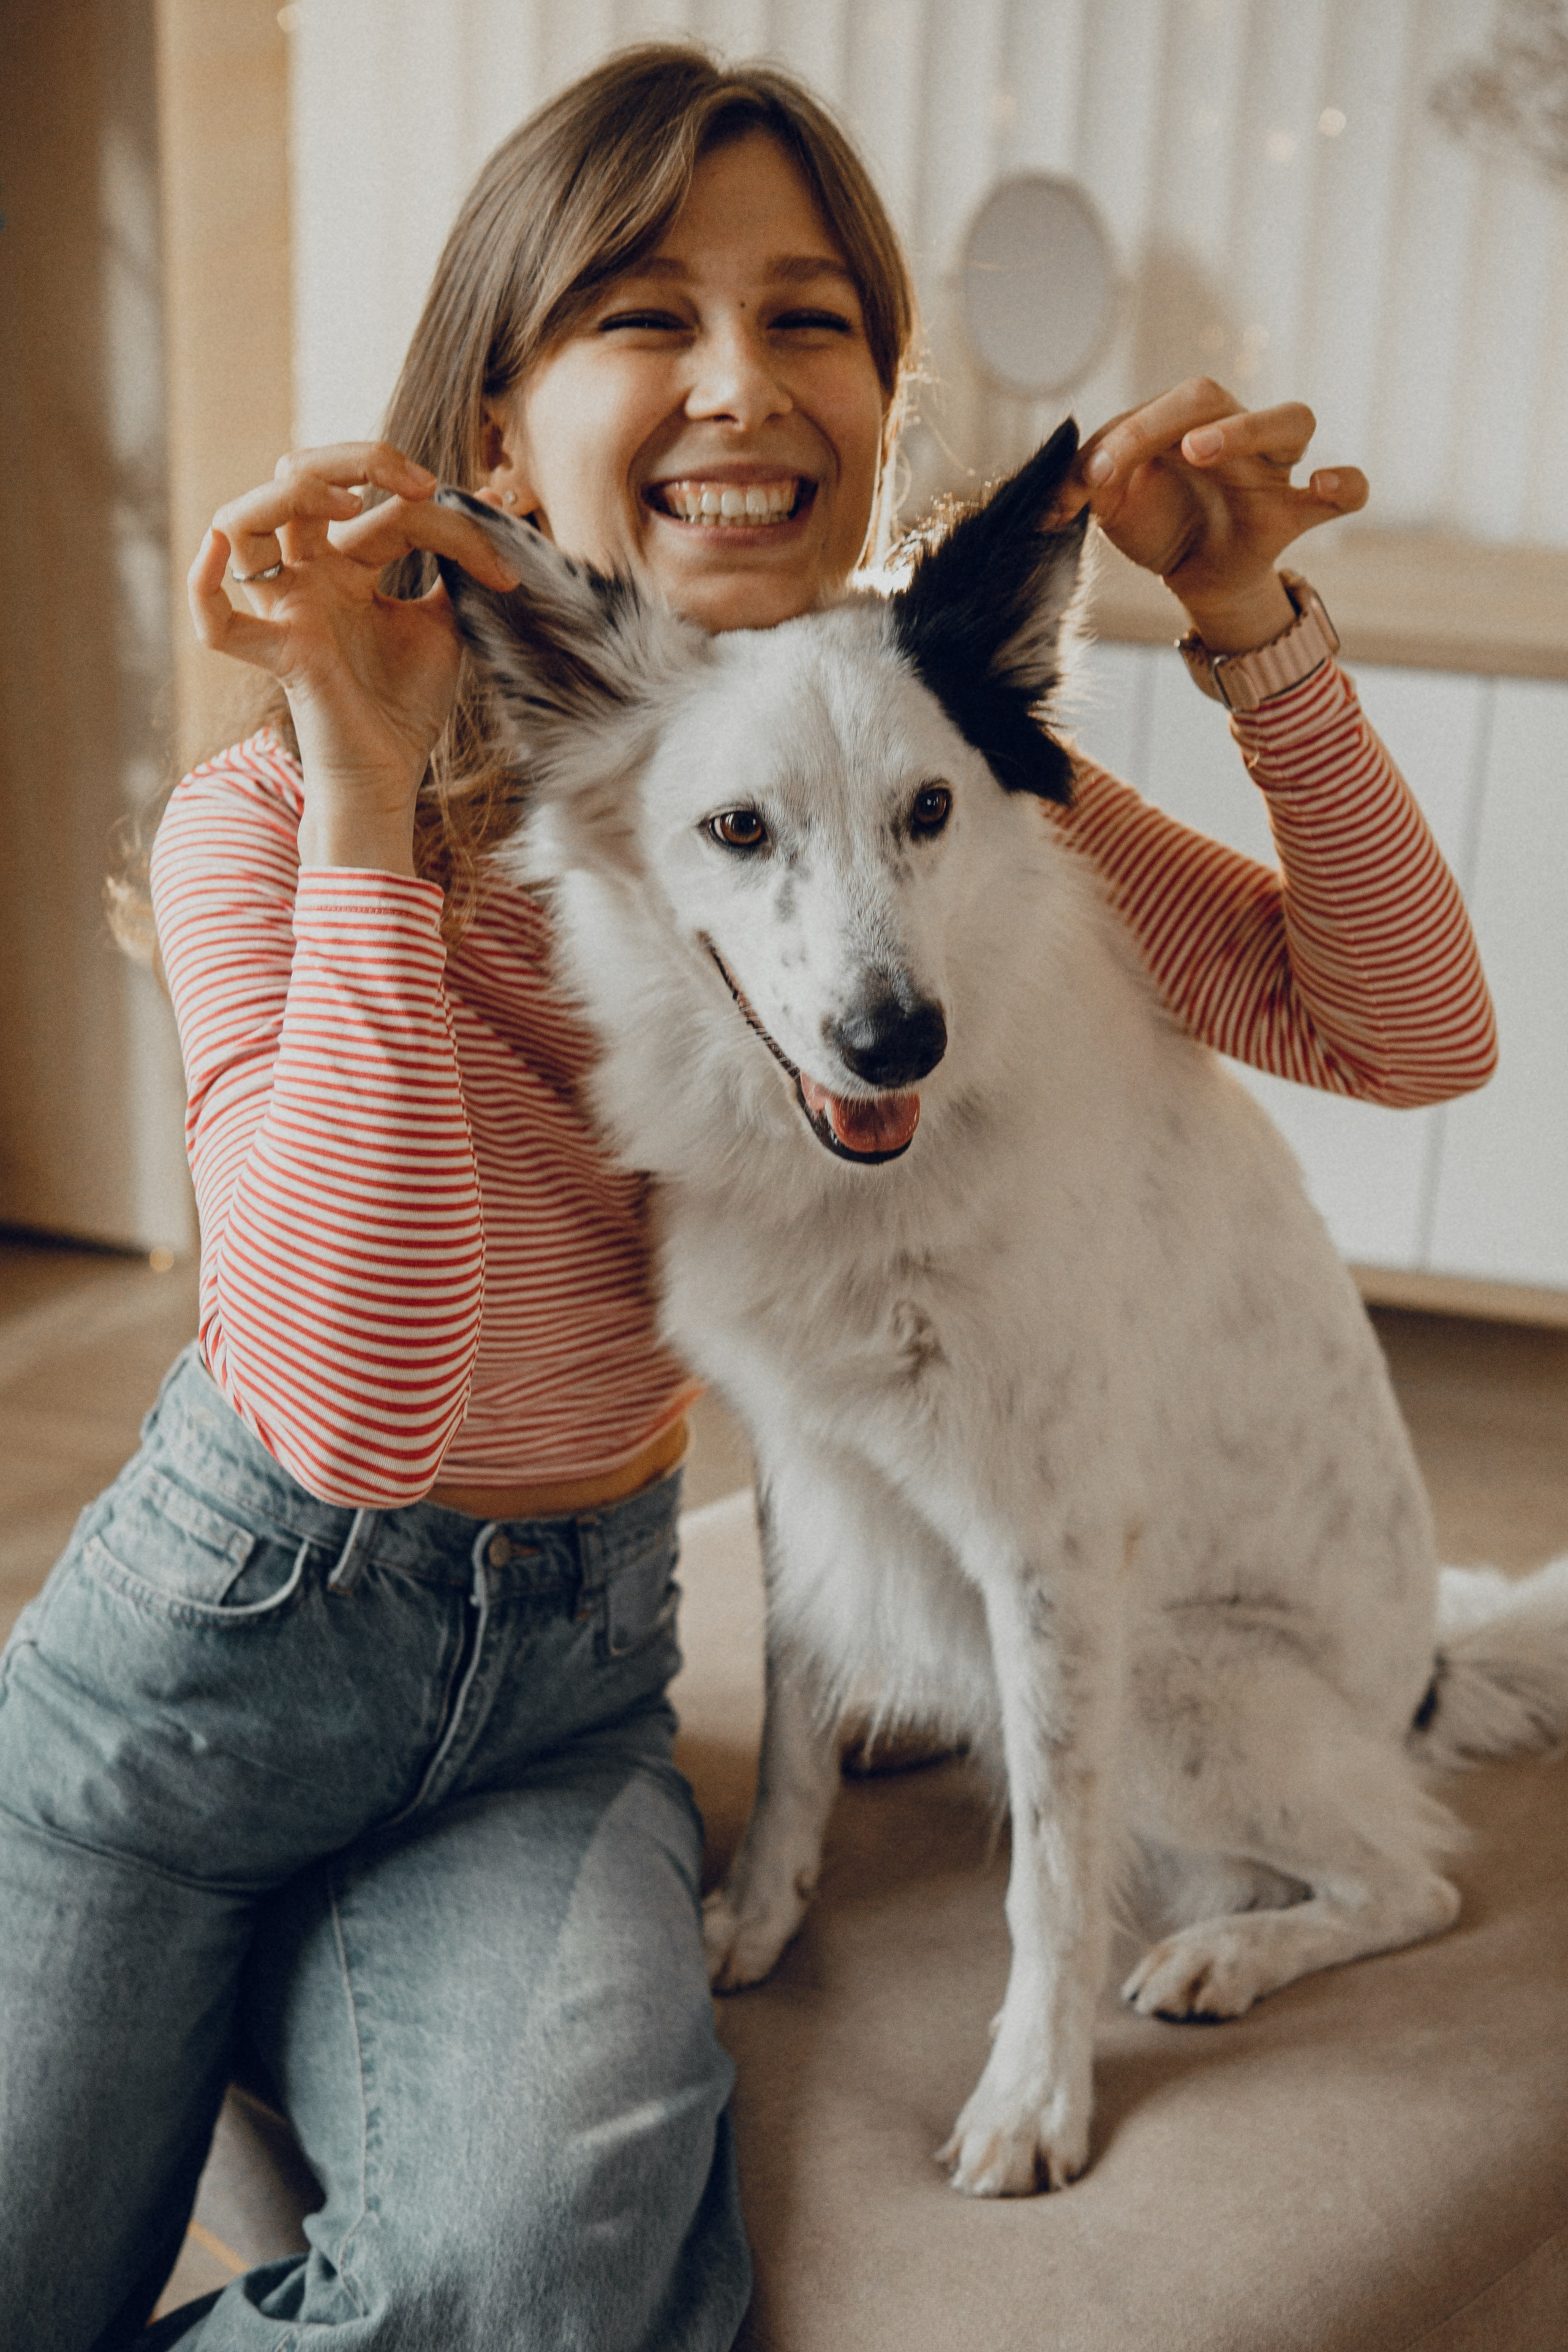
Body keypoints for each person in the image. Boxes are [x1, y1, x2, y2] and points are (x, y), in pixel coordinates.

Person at [0, 40, 1495, 2352]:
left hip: (563, 1695)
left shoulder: (927, 781)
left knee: (553, 2272)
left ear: (878, 406)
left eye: (811, 317)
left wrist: (1261, 645)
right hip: (193, 1689)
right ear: (496, 424)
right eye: (640, 312)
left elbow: (1407, 1038)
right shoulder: (267, 830)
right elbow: (360, 1404)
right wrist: (368, 788)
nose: (738, 380)